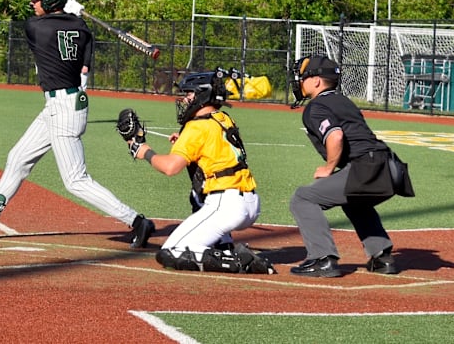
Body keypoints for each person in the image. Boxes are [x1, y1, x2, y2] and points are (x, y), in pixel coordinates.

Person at [0, 0, 155, 248]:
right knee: (18, 158)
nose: (32, 2)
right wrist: (73, 13)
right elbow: (80, 41)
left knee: (75, 181)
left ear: (51, 1)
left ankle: (137, 221)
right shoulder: (81, 28)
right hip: (61, 104)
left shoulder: (36, 28)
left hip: (64, 109)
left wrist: (68, 10)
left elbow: (50, 25)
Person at [124, 70, 275, 274]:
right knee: (196, 194)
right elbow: (214, 149)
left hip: (227, 204)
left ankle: (238, 260)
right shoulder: (222, 117)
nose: (185, 99)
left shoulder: (196, 127)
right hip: (250, 201)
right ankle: (224, 246)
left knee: (171, 253)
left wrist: (145, 152)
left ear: (202, 95)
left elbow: (171, 167)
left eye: (189, 94)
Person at [287, 55, 414, 278]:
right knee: (354, 200)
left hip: (369, 168)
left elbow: (335, 136)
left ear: (316, 81)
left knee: (303, 198)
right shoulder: (342, 100)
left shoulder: (316, 106)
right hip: (392, 167)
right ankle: (382, 258)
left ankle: (322, 259)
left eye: (303, 77)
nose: (299, 81)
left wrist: (328, 167)